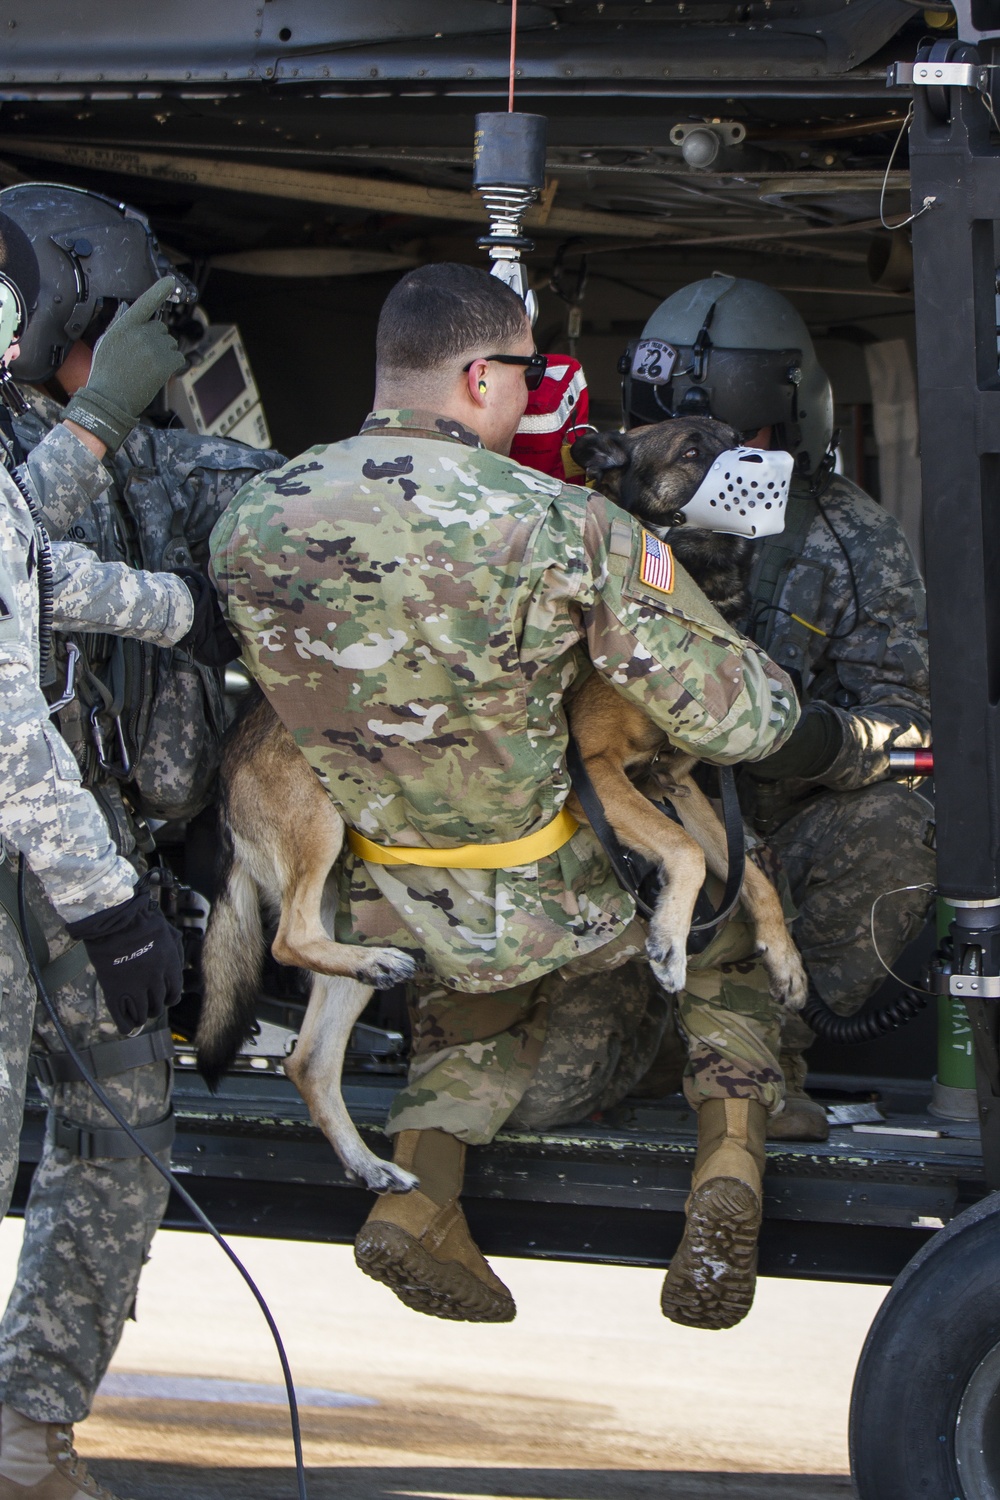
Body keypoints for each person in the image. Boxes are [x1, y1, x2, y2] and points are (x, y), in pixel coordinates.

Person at [210, 262, 800, 1333]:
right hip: (550, 893)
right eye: (528, 374)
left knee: (470, 987)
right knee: (721, 916)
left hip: (389, 904)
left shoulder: (251, 515)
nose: (535, 397)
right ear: (480, 376)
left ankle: (424, 1193)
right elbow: (739, 724)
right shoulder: (568, 523)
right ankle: (731, 1160)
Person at [0, 188, 282, 1499]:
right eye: (107, 335)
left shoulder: (73, 451)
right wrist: (110, 906)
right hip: (43, 851)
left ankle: (28, 1424)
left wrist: (187, 616)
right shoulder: (42, 447)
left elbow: (55, 579)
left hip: (75, 851)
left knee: (118, 1128)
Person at [622, 274, 934, 1141]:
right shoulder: (605, 521)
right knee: (555, 1097)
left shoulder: (851, 539)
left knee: (895, 824)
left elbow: (908, 727)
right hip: (637, 825)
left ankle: (770, 1054)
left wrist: (796, 741)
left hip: (778, 829)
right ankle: (646, 1039)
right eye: (686, 438)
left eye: (739, 437)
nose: (716, 461)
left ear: (792, 426)